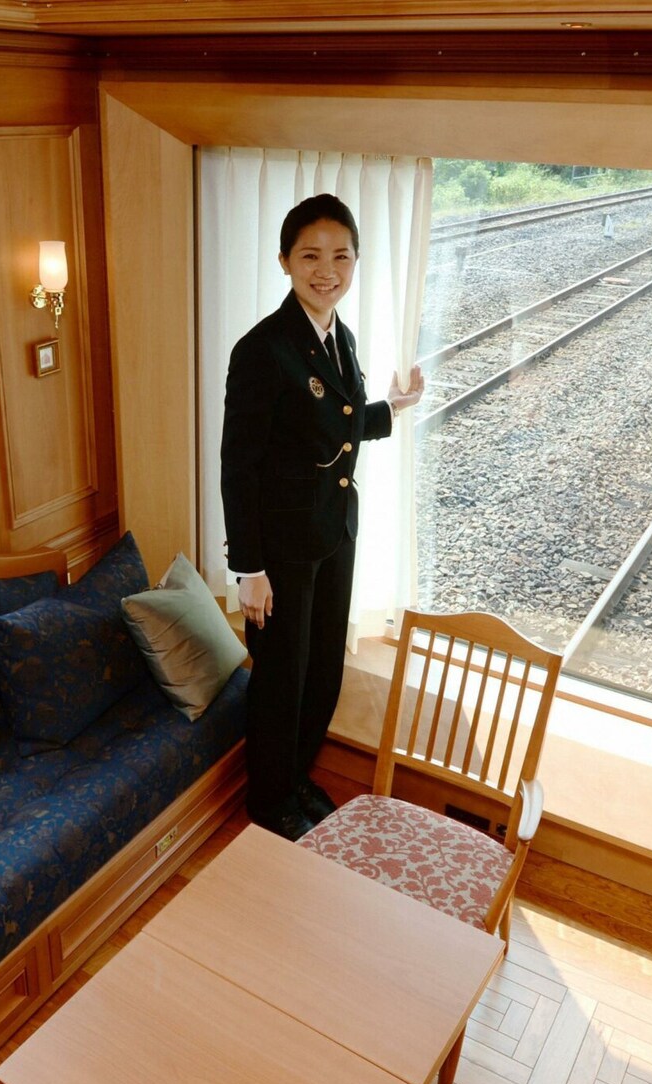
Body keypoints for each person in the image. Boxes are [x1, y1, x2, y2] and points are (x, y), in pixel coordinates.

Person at [220, 193, 427, 840]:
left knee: (321, 671)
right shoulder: (262, 349)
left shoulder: (340, 336)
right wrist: (247, 568)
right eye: (310, 255)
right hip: (279, 548)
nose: (326, 269)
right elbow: (238, 465)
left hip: (333, 531)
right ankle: (268, 804)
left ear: (356, 262)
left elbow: (332, 424)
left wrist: (391, 411)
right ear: (284, 261)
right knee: (281, 677)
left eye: (341, 256)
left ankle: (295, 777)